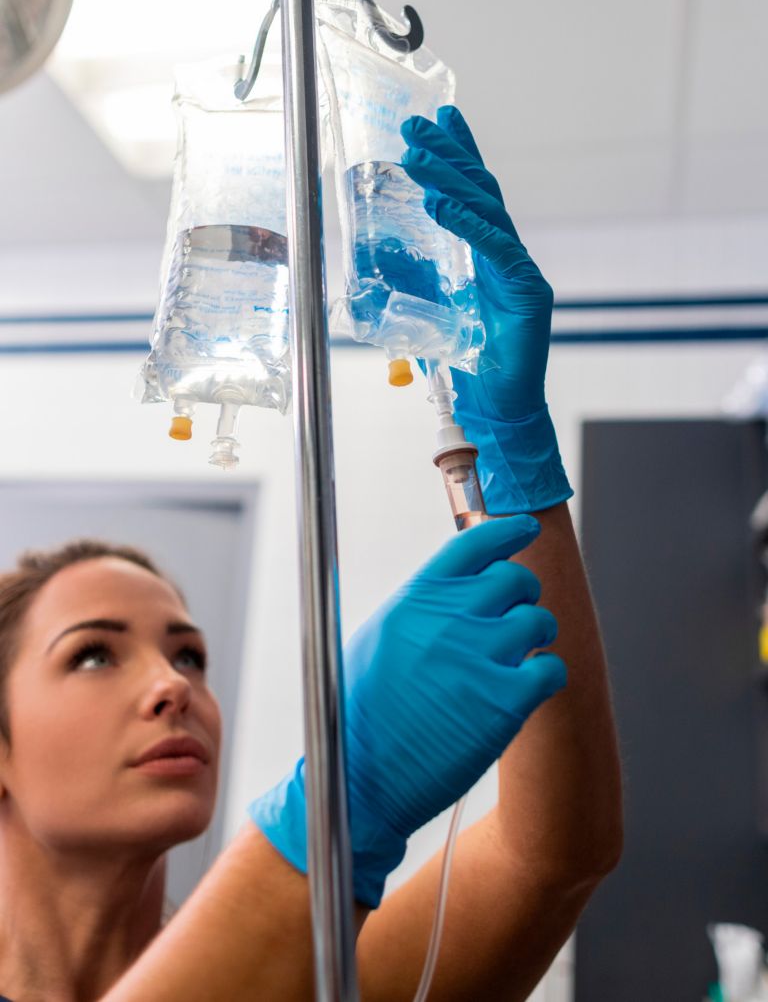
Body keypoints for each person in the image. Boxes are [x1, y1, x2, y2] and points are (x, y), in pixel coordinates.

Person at [0, 107, 622, 1002]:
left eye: (189, 654)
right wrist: (336, 811)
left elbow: (552, 853)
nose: (174, 686)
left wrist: (511, 449)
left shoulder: (320, 982)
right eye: (93, 652)